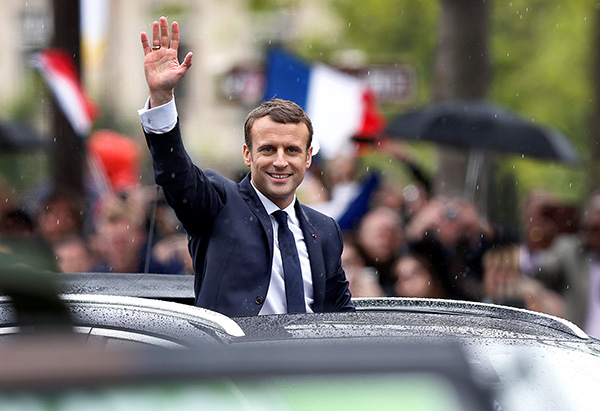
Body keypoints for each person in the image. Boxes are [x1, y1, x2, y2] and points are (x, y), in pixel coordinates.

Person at [138, 17, 353, 316]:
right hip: (236, 361)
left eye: (291, 150)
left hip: (307, 361)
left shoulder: (325, 229)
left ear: (307, 158)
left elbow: (341, 316)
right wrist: (162, 99)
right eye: (268, 149)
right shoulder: (218, 203)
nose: (280, 161)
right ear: (247, 155)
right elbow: (176, 175)